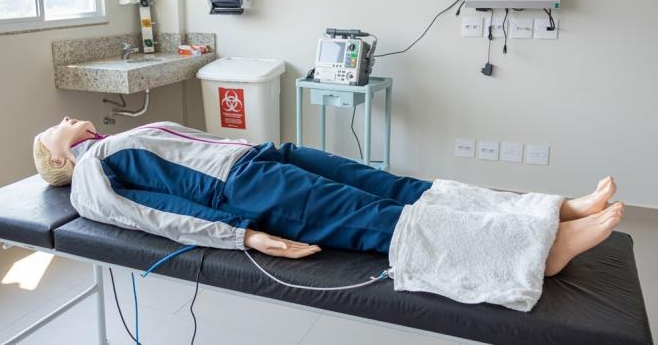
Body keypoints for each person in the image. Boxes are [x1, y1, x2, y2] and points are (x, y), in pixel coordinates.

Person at [33, 117, 623, 278]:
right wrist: (242, 235)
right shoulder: (89, 179)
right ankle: (532, 253)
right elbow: (160, 217)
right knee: (386, 219)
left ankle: (545, 212)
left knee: (400, 186)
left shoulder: (110, 143)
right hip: (248, 190)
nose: (63, 120)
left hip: (265, 157)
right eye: (53, 130)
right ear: (58, 160)